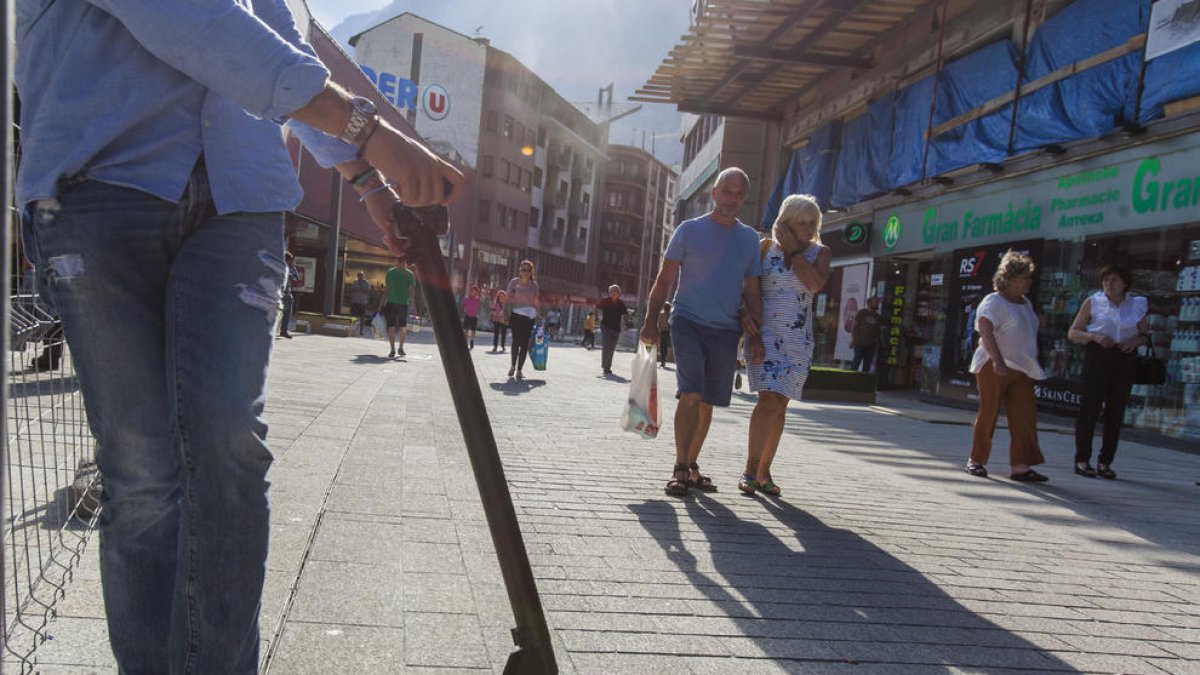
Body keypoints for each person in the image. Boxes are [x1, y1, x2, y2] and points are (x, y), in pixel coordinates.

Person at [14, 1, 464, 671]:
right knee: (141, 468)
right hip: (100, 180)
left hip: (240, 195)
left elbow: (278, 38)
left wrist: (366, 179)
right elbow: (185, 15)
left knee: (227, 436)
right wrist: (367, 131)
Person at [640, 167, 765, 496]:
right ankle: (680, 466)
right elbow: (664, 280)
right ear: (714, 193)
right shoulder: (689, 230)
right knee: (691, 394)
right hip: (688, 321)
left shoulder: (749, 239)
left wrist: (757, 332)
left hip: (726, 329)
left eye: (739, 194)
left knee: (708, 402)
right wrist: (651, 320)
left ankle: (692, 465)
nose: (732, 199)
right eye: (727, 192)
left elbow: (752, 290)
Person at [739, 195, 831, 496]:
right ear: (786, 223)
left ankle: (765, 471)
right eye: (801, 223)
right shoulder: (763, 249)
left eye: (812, 223)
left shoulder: (819, 253)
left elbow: (814, 285)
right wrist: (746, 321)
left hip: (798, 339)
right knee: (767, 400)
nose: (807, 228)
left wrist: (795, 250)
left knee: (780, 406)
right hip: (765, 336)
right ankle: (750, 469)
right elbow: (746, 288)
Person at [965, 250, 1048, 483]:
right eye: (1025, 278)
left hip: (1022, 368)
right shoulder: (994, 301)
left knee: (1024, 416)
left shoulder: (1026, 303)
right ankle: (976, 460)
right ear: (1010, 278)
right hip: (994, 365)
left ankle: (1020, 466)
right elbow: (985, 329)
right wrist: (998, 361)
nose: (1029, 282)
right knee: (989, 412)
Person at [1068, 264, 1149, 480]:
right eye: (1105, 280)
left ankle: (1105, 461)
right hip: (1098, 355)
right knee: (1090, 409)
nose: (1109, 284)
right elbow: (1073, 332)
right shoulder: (1093, 302)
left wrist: (1135, 341)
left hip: (1124, 357)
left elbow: (1144, 334)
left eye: (1113, 280)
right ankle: (1082, 459)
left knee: (1116, 410)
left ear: (1124, 283)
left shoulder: (1137, 304)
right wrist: (1094, 337)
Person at [506, 260, 541, 379]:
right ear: (520, 270)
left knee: (525, 344)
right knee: (515, 341)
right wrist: (503, 312)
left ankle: (519, 370)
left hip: (529, 317)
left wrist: (539, 316)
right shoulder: (514, 282)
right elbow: (507, 297)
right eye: (523, 269)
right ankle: (512, 365)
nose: (525, 272)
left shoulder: (534, 285)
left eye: (528, 270)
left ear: (531, 272)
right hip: (516, 315)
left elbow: (536, 301)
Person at [380, 258, 418, 358]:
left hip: (391, 303)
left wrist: (380, 305)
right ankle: (400, 348)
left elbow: (386, 290)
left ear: (397, 261)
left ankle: (392, 349)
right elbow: (411, 293)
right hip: (403, 304)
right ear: (404, 262)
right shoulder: (409, 274)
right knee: (403, 327)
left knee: (391, 326)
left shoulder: (390, 272)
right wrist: (414, 307)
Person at [597, 285, 629, 375]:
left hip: (616, 328)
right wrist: (596, 318)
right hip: (606, 326)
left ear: (619, 293)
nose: (614, 293)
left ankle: (608, 366)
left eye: (616, 291)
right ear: (610, 292)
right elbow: (596, 307)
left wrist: (626, 324)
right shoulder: (605, 301)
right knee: (607, 346)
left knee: (612, 348)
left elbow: (625, 314)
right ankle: (605, 367)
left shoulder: (620, 303)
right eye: (613, 291)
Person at [850, 295, 882, 372]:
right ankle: (850, 380)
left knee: (867, 365)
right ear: (869, 303)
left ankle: (863, 382)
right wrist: (853, 339)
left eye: (877, 302)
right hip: (859, 343)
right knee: (856, 362)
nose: (877, 304)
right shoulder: (861, 313)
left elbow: (878, 330)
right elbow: (854, 326)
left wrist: (876, 341)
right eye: (875, 302)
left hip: (871, 345)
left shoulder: (877, 316)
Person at [278, 252, 301, 338]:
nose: (292, 262)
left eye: (292, 261)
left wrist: (289, 275)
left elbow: (296, 278)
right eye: (290, 261)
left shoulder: (292, 268)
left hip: (287, 293)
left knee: (287, 312)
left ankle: (283, 331)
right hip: (279, 293)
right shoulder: (280, 266)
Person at [349, 271, 372, 335]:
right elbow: (352, 290)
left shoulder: (366, 282)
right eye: (358, 275)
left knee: (362, 317)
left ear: (363, 275)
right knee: (353, 316)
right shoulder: (355, 282)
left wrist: (360, 288)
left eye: (361, 275)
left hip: (363, 302)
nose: (359, 276)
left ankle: (361, 331)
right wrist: (357, 289)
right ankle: (351, 330)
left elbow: (367, 291)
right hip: (355, 301)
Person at [657, 302, 674, 367]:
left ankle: (663, 360)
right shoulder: (667, 314)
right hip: (666, 332)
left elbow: (659, 324)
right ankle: (663, 360)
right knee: (664, 346)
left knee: (664, 347)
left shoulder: (666, 314)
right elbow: (659, 323)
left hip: (665, 332)